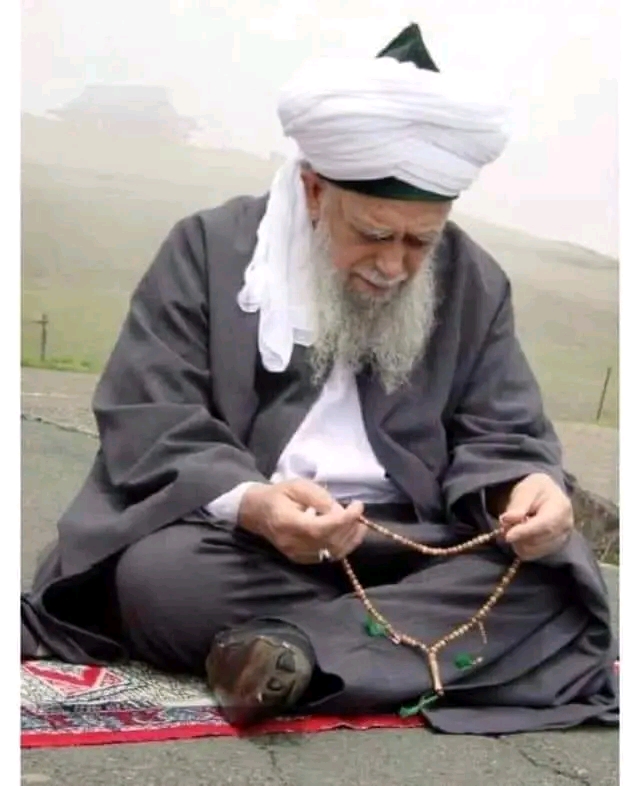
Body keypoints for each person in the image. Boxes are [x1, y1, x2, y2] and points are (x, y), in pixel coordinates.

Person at [21, 24, 618, 735]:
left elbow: (505, 428)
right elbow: (153, 411)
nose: (394, 266)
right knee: (162, 581)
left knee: (551, 572)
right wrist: (254, 504)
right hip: (247, 546)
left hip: (412, 546)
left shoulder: (473, 281)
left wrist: (523, 486)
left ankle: (292, 653)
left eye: (419, 241)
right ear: (313, 190)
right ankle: (373, 651)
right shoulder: (207, 249)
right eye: (374, 234)